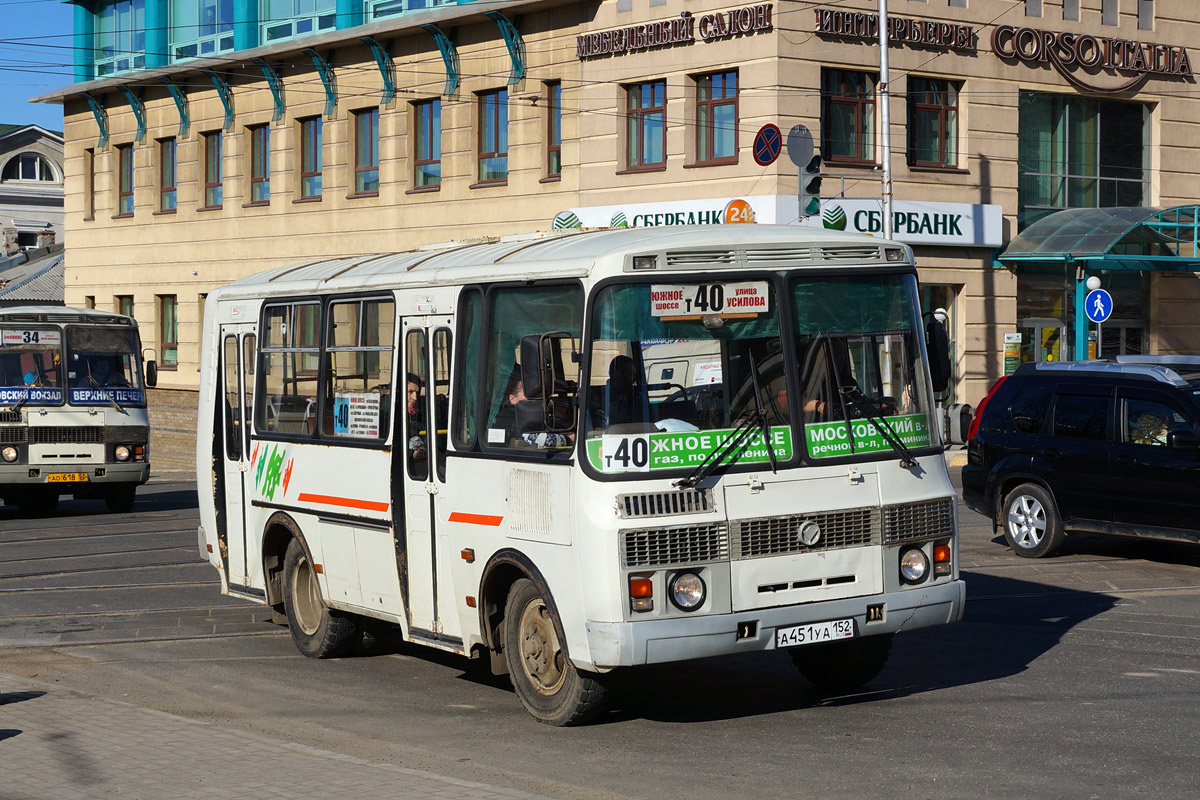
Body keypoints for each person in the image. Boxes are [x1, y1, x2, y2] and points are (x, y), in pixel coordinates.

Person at [494, 371, 573, 449]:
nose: (536, 398)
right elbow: (542, 441)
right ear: (513, 399)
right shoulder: (513, 417)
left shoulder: (528, 413)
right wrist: (571, 439)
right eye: (529, 394)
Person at [406, 372, 427, 466]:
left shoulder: (420, 411)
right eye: (410, 392)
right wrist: (411, 453)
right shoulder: (386, 412)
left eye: (417, 393)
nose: (415, 398)